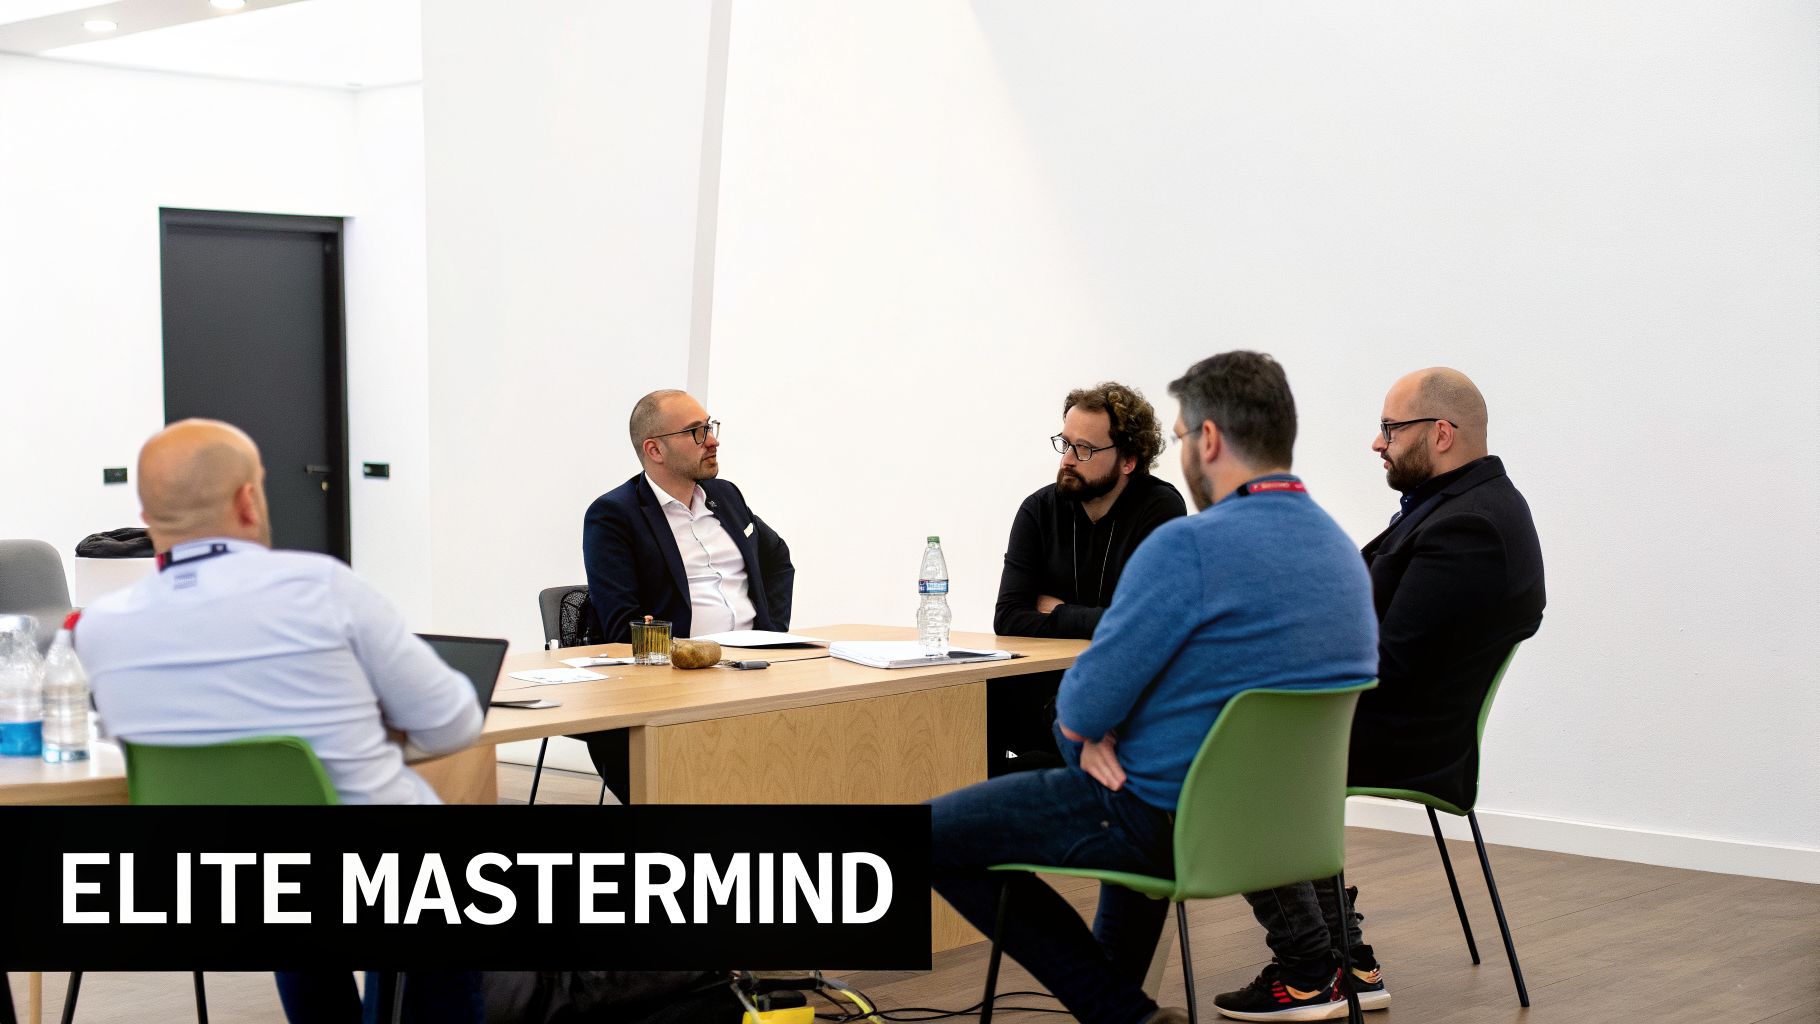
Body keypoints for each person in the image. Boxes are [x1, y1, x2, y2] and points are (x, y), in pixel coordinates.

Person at [930, 352, 1379, 1024]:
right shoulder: (1342, 553)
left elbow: (1082, 705)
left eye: (1179, 437)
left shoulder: (1190, 546)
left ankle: (1125, 1015)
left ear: (1208, 440)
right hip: (1286, 829)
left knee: (932, 834)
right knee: (1124, 780)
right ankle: (1117, 1008)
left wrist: (1084, 734)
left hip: (1173, 818)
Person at [76, 419, 486, 1024]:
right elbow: (454, 725)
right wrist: (370, 721)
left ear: (147, 511)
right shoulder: (321, 585)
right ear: (248, 499)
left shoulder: (100, 628)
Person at [1216, 368, 1545, 1021]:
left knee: (1222, 759)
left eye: (1391, 429)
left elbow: (1383, 661)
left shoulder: (1469, 526)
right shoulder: (1461, 506)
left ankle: (1310, 972)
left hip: (1404, 733)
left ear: (1442, 433)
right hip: (1396, 715)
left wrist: (1272, 675)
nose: (1378, 442)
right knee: (1237, 724)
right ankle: (1349, 961)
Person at [579, 389, 794, 799]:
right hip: (676, 684)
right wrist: (692, 656)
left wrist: (771, 632)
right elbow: (621, 624)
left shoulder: (725, 496)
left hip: (752, 669)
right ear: (654, 449)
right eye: (696, 432)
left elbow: (777, 559)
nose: (711, 440)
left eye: (710, 427)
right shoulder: (614, 515)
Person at [989, 382, 1184, 776]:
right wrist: (1103, 618)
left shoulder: (1160, 510)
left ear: (1128, 459)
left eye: (1085, 449)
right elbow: (1008, 616)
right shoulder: (1038, 510)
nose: (1067, 461)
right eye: (1065, 444)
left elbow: (1145, 627)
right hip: (1041, 688)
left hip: (1122, 697)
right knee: (973, 710)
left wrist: (1056, 610)